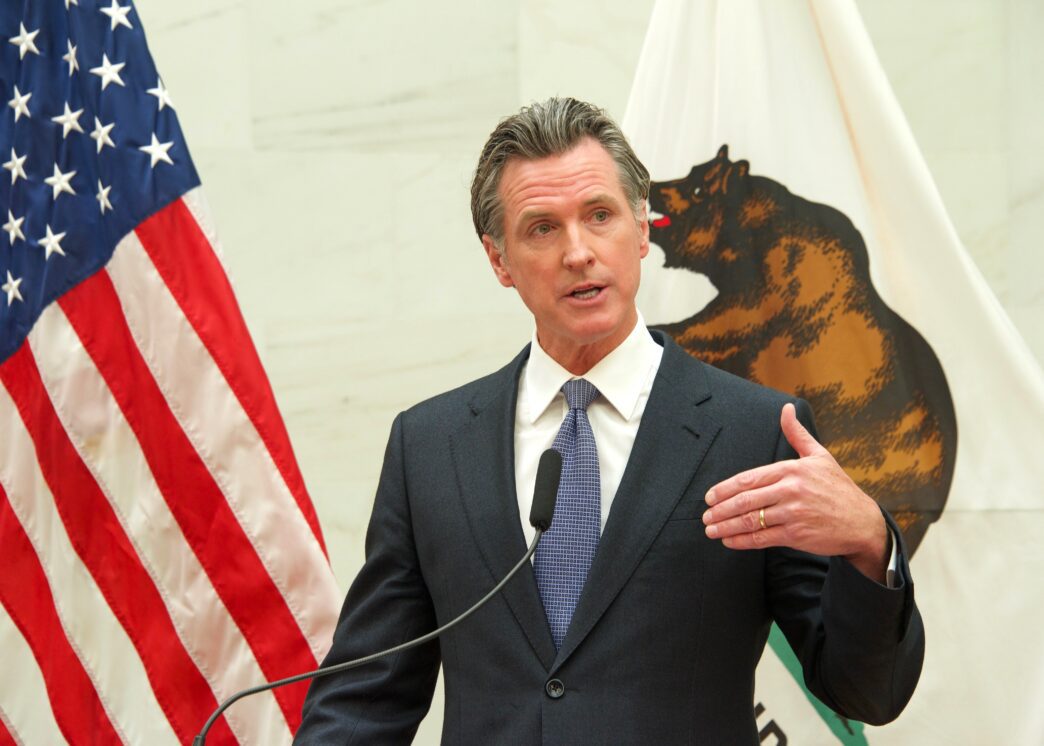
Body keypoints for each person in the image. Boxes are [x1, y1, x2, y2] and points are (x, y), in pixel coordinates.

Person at [296, 98, 923, 744]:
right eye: (542, 228)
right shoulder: (431, 447)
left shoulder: (754, 433)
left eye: (600, 215)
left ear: (642, 229)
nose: (578, 252)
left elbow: (865, 692)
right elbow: (364, 701)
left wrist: (869, 543)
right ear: (499, 260)